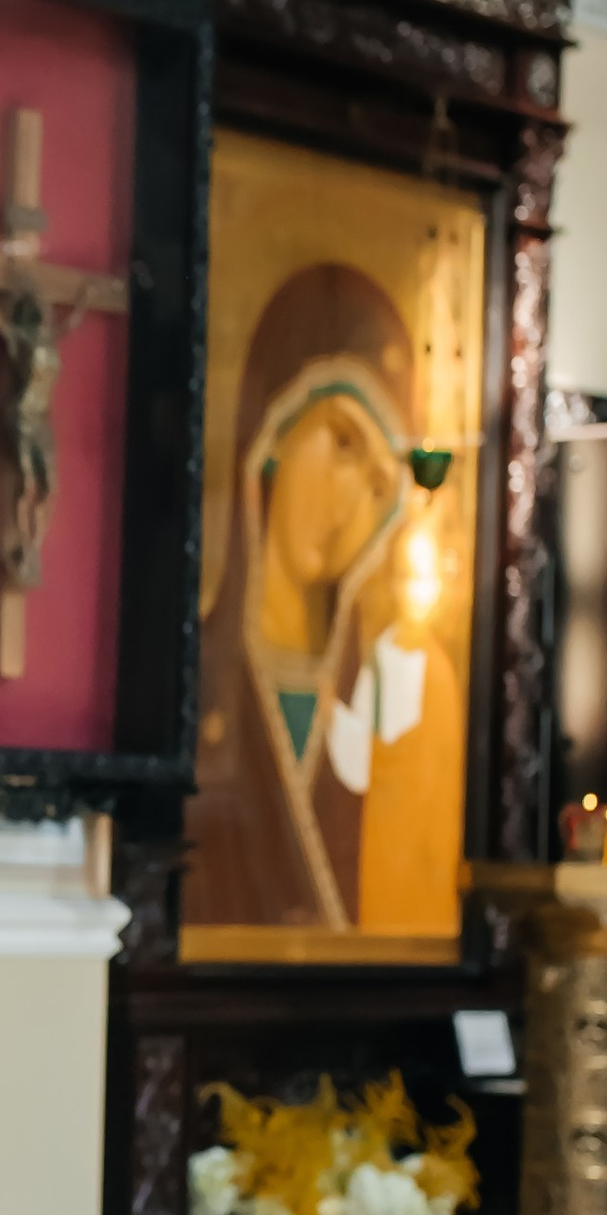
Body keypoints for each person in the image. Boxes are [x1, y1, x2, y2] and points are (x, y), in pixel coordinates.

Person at [185, 264, 467, 940]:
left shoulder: (401, 692)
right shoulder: (190, 677)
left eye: (378, 486)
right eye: (341, 442)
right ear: (271, 432)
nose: (350, 507)